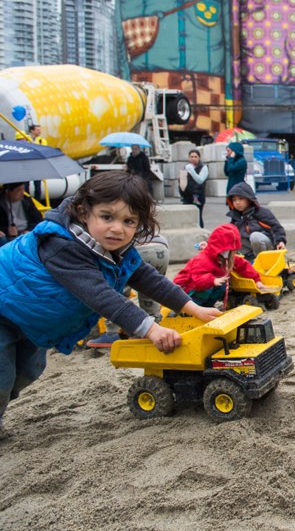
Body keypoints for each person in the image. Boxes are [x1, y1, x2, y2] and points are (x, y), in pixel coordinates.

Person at [0, 171, 220, 431]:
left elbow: (148, 278)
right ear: (83, 212)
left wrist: (193, 308)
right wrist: (151, 328)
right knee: (3, 378)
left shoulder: (115, 249)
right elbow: (102, 296)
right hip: (4, 311)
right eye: (107, 217)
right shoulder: (62, 245)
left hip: (32, 321)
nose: (117, 228)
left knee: (29, 371)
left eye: (129, 221)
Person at [174, 224, 264, 307]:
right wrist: (212, 280)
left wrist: (256, 280)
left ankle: (206, 306)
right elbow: (197, 279)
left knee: (221, 285)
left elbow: (243, 265)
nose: (230, 253)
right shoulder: (203, 259)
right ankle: (192, 308)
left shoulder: (227, 257)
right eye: (229, 250)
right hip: (184, 291)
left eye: (232, 250)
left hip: (201, 285)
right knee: (211, 287)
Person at [225, 182, 287, 259]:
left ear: (249, 199)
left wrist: (280, 241)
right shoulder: (236, 218)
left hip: (268, 246)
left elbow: (277, 227)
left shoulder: (261, 212)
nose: (237, 203)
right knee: (231, 236)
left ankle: (261, 261)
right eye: (234, 200)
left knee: (255, 236)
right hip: (250, 248)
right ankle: (248, 259)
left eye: (241, 199)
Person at [0, 182, 43, 247]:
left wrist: (29, 230)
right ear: (8, 191)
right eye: (18, 190)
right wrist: (6, 230)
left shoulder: (27, 201)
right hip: (7, 236)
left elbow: (38, 220)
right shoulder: (1, 203)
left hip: (25, 232)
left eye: (23, 189)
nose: (22, 192)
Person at [180, 149, 208, 228]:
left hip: (198, 196)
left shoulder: (203, 167)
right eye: (191, 157)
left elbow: (200, 180)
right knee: (188, 217)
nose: (193, 158)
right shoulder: (187, 167)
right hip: (187, 195)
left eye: (195, 156)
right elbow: (183, 181)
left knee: (197, 217)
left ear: (199, 157)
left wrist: (191, 171)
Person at [27, 124, 47, 198]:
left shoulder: (42, 140)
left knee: (38, 185)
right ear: (32, 131)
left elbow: (44, 150)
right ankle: (27, 200)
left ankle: (37, 200)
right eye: (37, 130)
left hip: (38, 165)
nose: (39, 131)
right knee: (26, 185)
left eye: (40, 130)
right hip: (28, 165)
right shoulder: (26, 139)